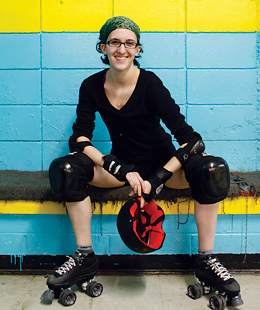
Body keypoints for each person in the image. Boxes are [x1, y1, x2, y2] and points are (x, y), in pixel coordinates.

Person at [47, 16, 242, 305]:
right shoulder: (90, 86)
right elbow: (79, 139)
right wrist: (120, 169)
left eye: (129, 43)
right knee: (65, 169)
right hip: (123, 166)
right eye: (114, 42)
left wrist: (156, 179)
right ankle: (84, 256)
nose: (121, 49)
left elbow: (192, 141)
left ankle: (206, 260)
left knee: (212, 169)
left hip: (164, 166)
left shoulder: (149, 83)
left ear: (138, 49)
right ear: (103, 47)